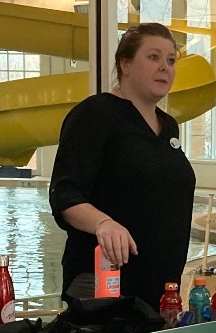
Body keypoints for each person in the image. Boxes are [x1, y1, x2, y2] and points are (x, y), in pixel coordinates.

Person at [49, 23, 196, 311]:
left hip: (159, 285)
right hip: (103, 282)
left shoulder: (168, 126)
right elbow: (64, 193)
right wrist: (103, 223)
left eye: (170, 60)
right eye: (153, 57)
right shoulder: (94, 115)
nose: (165, 67)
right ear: (125, 64)